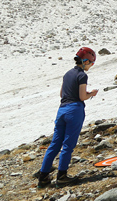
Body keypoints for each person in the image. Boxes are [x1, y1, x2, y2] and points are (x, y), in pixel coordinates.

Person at [36, 47, 98, 186]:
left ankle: (43, 177)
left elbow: (62, 94)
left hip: (62, 110)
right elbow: (82, 96)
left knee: (54, 144)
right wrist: (92, 93)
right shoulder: (82, 75)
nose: (91, 66)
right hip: (74, 110)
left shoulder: (67, 74)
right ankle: (62, 176)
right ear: (85, 61)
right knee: (68, 146)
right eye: (91, 63)